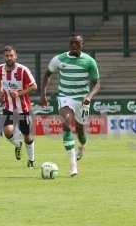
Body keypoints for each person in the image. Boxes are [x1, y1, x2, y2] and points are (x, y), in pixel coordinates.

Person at [40, 34, 100, 176]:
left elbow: (97, 83)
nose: (74, 45)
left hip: (82, 99)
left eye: (77, 43)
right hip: (65, 97)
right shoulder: (59, 59)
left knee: (80, 131)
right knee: (66, 124)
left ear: (82, 45)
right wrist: (43, 94)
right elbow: (47, 74)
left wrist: (89, 96)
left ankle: (82, 145)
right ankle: (73, 166)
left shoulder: (89, 61)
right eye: (72, 43)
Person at [0, 45, 37, 168]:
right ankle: (17, 145)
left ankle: (31, 161)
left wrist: (19, 93)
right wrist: (0, 92)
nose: (9, 58)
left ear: (15, 56)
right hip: (8, 107)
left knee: (28, 137)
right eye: (7, 56)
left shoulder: (23, 70)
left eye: (11, 55)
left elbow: (34, 86)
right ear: (4, 57)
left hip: (23, 108)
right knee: (7, 131)